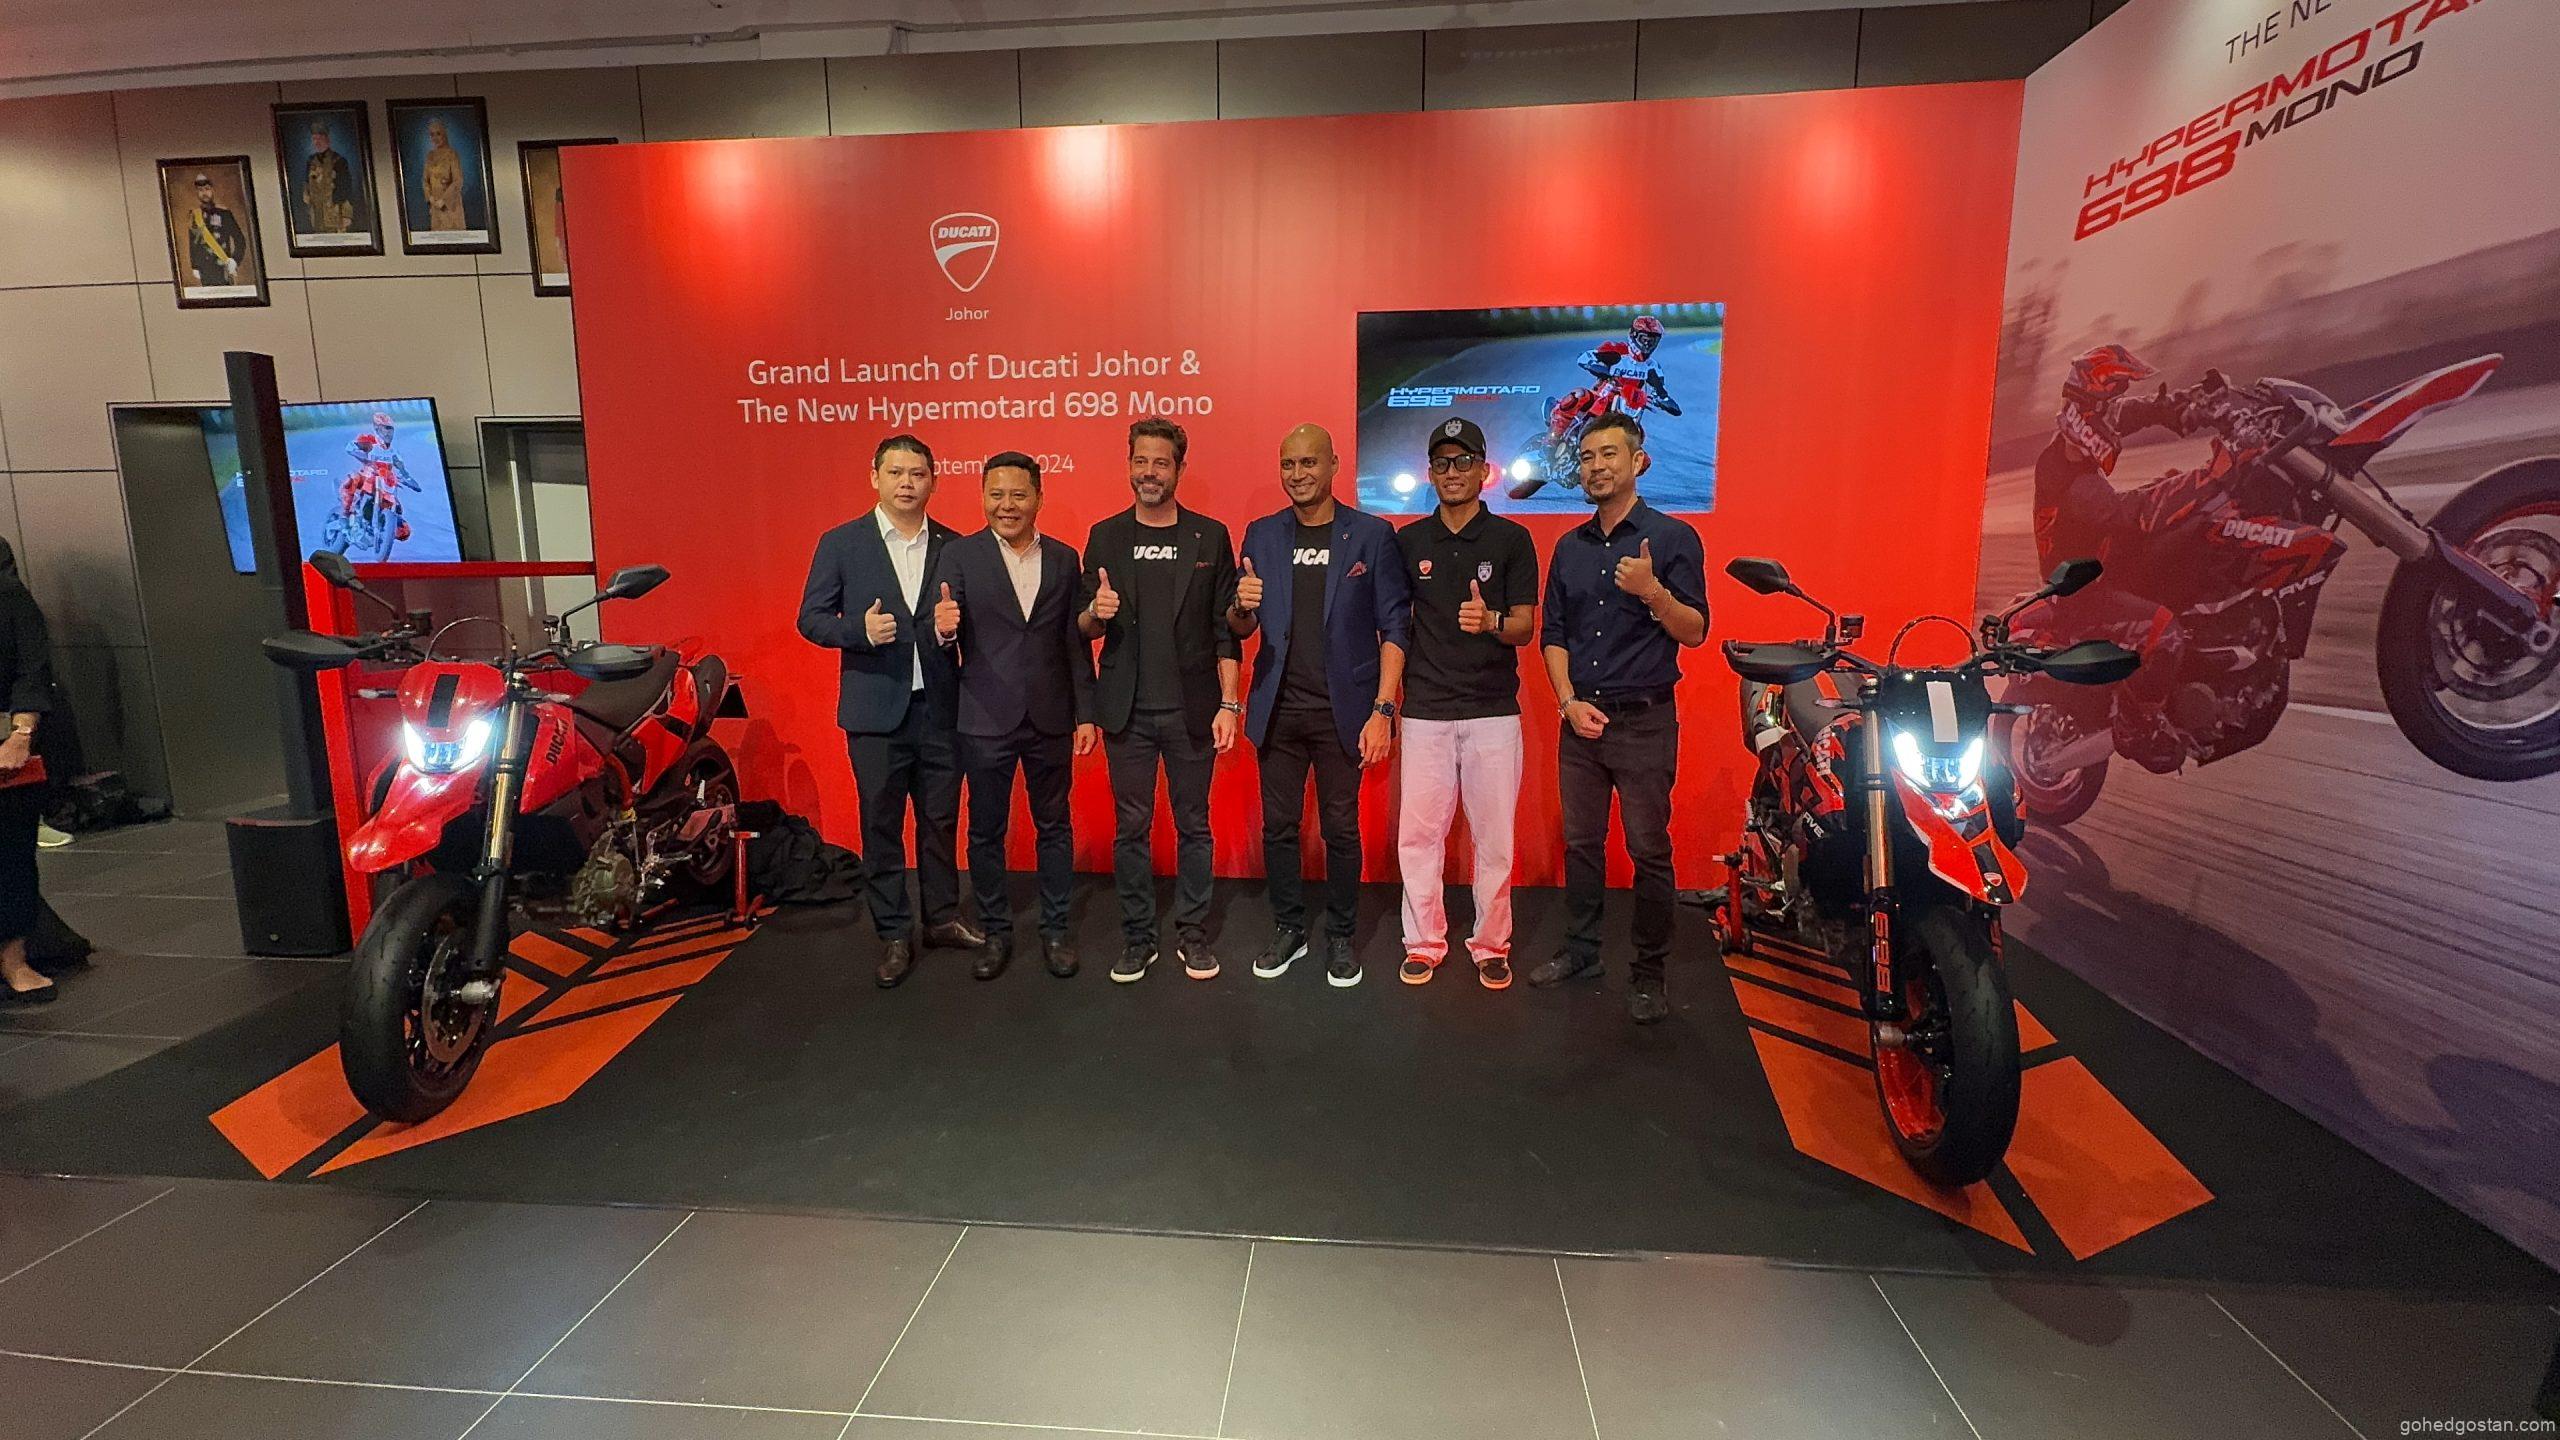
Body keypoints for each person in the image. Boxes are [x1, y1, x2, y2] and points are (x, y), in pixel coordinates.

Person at [1530, 412, 1709, 1024]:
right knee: (1582, 846)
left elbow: (1696, 631)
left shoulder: (1673, 538)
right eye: (1586, 457)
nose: (1596, 466)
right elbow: (1553, 635)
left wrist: (1653, 591)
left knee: (1648, 850)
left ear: (1638, 462)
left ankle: (1649, 972)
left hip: (1644, 722)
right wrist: (1566, 702)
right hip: (1580, 721)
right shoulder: (1569, 547)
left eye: (1609, 454)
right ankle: (1582, 951)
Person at [797, 434, 984, 987]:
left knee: (940, 821)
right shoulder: (842, 543)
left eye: (917, 474)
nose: (907, 483)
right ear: (874, 477)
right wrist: (858, 630)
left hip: (941, 710)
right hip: (874, 714)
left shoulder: (955, 546)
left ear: (933, 482)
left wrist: (951, 632)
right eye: (896, 472)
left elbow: (971, 624)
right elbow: (810, 618)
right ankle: (895, 933)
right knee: (881, 825)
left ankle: (942, 918)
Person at [1233, 424, 1410, 988]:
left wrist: (1383, 710)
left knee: (1340, 829)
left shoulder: (1371, 535)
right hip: (1278, 709)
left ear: (1333, 465)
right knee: (1279, 828)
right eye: (1288, 464)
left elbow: (1395, 627)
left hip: (1346, 710)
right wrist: (1241, 606)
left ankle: (1340, 935)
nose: (1298, 474)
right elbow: (1238, 624)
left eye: (1309, 463)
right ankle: (1289, 927)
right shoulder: (1261, 534)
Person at [1079, 418, 1243, 984]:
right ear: (1129, 464)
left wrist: (1229, 703)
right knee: (1131, 828)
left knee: (1194, 825)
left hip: (1192, 710)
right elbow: (1083, 625)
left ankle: (1192, 934)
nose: (1149, 472)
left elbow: (1227, 629)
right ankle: (1138, 937)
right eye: (1140, 461)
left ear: (1179, 469)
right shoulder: (1105, 536)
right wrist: (1094, 612)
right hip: (1126, 710)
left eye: (1161, 462)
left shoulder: (1210, 536)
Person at [933, 452, 1099, 980]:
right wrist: (943, 629)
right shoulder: (960, 555)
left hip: (1051, 715)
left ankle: (1056, 930)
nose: (1007, 505)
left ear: (1038, 499)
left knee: (1055, 826)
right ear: (983, 497)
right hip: (984, 717)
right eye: (997, 494)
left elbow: (1074, 643)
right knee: (986, 831)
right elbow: (945, 633)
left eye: (1019, 495)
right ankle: (996, 933)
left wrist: (1086, 713)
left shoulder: (1064, 558)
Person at [1393, 416, 1540, 989]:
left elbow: (1525, 627)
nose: (1452, 472)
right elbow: (1393, 626)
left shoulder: (1511, 540)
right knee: (1419, 838)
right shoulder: (1408, 542)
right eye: (1442, 463)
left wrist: (1491, 620)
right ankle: (1423, 942)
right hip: (1425, 710)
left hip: (1492, 711)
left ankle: (1491, 943)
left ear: (1484, 470)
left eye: (1463, 462)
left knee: (1495, 838)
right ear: (1430, 473)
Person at [2032, 343, 2202, 772]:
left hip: (2104, 568)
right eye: (2107, 406)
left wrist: (2181, 405)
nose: (2113, 415)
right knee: (2167, 632)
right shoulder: (2071, 481)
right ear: (2086, 415)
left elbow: (2128, 414)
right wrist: (2198, 482)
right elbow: (2133, 515)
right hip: (2081, 596)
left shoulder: (2072, 442)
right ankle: (2136, 723)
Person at [0, 538, 59, 1004]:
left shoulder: (10, 596)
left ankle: (14, 962)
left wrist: (21, 733)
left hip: (5, 742)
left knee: (11, 858)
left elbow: (32, 667)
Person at [181, 172, 249, 289]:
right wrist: (195, 266)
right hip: (204, 269)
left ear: (212, 190)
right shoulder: (195, 216)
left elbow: (240, 240)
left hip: (222, 265)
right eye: (200, 190)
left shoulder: (224, 214)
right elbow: (194, 243)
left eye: (207, 189)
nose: (204, 193)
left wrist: (235, 260)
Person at [300, 121, 358, 234]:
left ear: (327, 139)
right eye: (314, 139)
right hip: (317, 215)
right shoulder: (311, 161)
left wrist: (347, 215)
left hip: (335, 215)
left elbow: (347, 189)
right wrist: (307, 199)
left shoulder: (339, 161)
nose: (317, 142)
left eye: (320, 138)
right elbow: (307, 185)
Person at [420, 117, 466, 232]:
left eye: (438, 134)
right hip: (435, 206)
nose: (435, 138)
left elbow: (458, 180)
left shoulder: (452, 154)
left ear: (444, 134)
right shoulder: (430, 156)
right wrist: (431, 198)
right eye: (432, 135)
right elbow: (425, 180)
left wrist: (444, 200)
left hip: (450, 206)